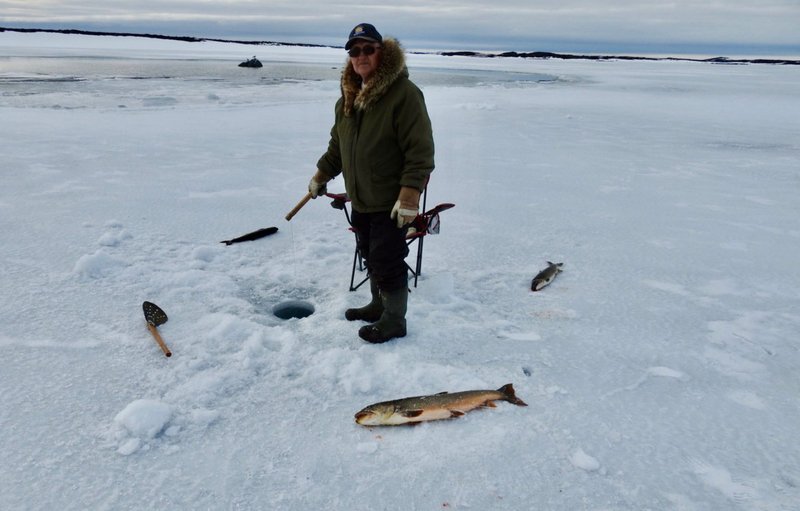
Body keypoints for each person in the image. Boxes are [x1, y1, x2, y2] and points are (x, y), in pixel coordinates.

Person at [308, 23, 435, 343]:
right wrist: (321, 175)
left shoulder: (404, 95)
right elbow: (338, 147)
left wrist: (408, 197)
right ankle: (379, 305)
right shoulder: (347, 101)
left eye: (368, 49)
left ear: (382, 53)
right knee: (369, 253)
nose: (360, 55)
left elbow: (420, 151)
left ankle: (394, 320)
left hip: (391, 200)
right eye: (354, 50)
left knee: (387, 259)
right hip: (361, 197)